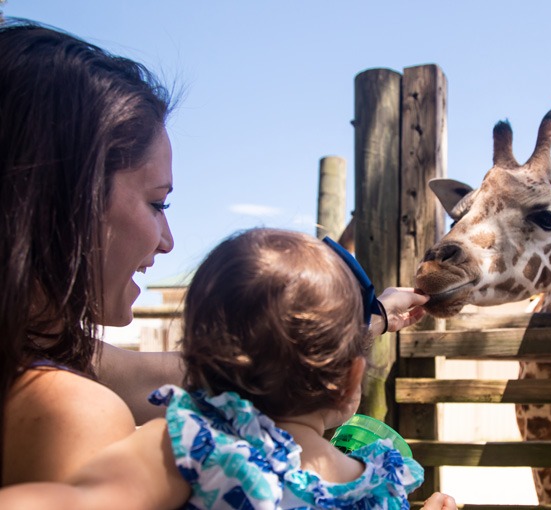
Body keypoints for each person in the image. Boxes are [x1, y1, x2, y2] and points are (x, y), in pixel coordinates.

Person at [0, 18, 454, 509]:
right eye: (158, 203)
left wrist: (370, 320)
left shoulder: (45, 356)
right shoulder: (72, 412)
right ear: (62, 198)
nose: (169, 240)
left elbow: (236, 370)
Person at [0, 228, 456, 510]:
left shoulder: (199, 451)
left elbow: (76, 502)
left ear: (194, 362)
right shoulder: (381, 484)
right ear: (353, 377)